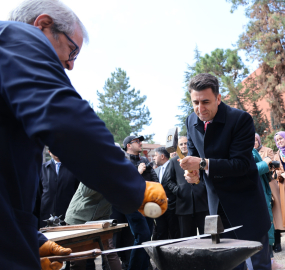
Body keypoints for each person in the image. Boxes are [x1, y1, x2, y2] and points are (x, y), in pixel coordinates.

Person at [1, 1, 166, 269]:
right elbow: (67, 122)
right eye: (72, 50)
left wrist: (28, 238)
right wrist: (136, 190)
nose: (70, 65)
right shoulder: (16, 38)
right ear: (42, 26)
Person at [179, 73, 272, 269]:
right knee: (229, 264)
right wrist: (193, 175)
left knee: (258, 263)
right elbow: (195, 159)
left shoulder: (240, 119)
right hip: (216, 208)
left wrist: (202, 164)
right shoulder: (190, 121)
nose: (200, 108)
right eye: (195, 102)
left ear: (219, 98)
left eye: (206, 102)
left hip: (245, 203)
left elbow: (241, 164)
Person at [65, 183, 122, 270]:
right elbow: (85, 191)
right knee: (79, 260)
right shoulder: (95, 169)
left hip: (101, 218)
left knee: (109, 252)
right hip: (79, 218)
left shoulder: (119, 172)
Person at [122, 135, 158, 270]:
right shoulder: (123, 162)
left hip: (148, 203)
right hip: (132, 204)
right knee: (142, 235)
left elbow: (154, 178)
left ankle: (145, 267)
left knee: (147, 237)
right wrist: (138, 172)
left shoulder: (144, 159)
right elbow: (124, 185)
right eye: (136, 141)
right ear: (128, 146)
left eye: (140, 141)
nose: (140, 143)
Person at [166, 136, 209, 238]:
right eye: (181, 144)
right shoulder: (173, 161)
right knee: (187, 237)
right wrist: (178, 191)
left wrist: (203, 187)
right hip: (183, 205)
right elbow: (168, 181)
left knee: (206, 235)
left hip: (201, 203)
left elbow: (206, 175)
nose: (184, 146)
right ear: (178, 147)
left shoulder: (197, 159)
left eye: (185, 143)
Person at [252, 147, 285, 270]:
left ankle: (270, 260)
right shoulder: (241, 149)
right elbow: (249, 170)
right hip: (256, 192)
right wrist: (265, 163)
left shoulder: (249, 148)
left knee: (267, 225)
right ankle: (268, 262)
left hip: (262, 189)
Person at [37, 150, 79, 228]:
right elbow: (38, 195)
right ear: (49, 152)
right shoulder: (42, 169)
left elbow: (78, 193)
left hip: (68, 217)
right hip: (46, 217)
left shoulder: (74, 169)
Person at [153, 147, 180, 240]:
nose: (153, 158)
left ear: (162, 156)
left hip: (173, 207)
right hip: (160, 209)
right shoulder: (157, 170)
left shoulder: (175, 165)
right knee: (161, 232)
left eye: (155, 155)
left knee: (175, 232)